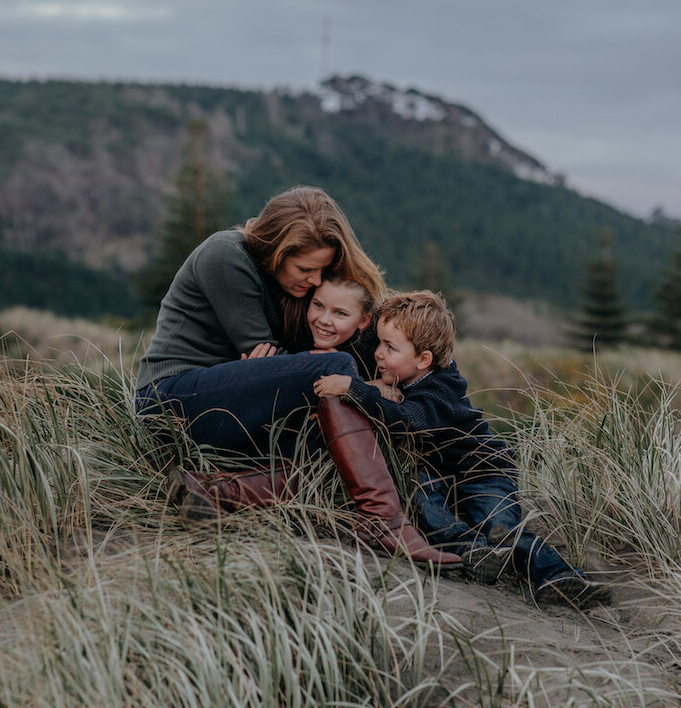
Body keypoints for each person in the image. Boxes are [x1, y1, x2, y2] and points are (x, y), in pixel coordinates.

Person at [135, 186, 460, 569]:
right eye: (306, 270)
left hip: (232, 409)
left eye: (322, 270)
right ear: (276, 251)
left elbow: (289, 362)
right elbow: (264, 357)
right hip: (172, 400)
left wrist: (426, 386)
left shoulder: (295, 287)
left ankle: (211, 492)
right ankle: (382, 521)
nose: (315, 279)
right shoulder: (225, 255)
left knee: (332, 439)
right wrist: (359, 384)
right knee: (334, 371)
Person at [314, 290, 608, 603]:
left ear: (423, 359)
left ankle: (557, 575)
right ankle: (471, 550)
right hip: (439, 474)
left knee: (502, 528)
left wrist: (356, 389)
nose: (379, 354)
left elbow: (406, 421)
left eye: (390, 347)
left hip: (483, 470)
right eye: (380, 343)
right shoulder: (405, 370)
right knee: (425, 499)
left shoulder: (440, 390)